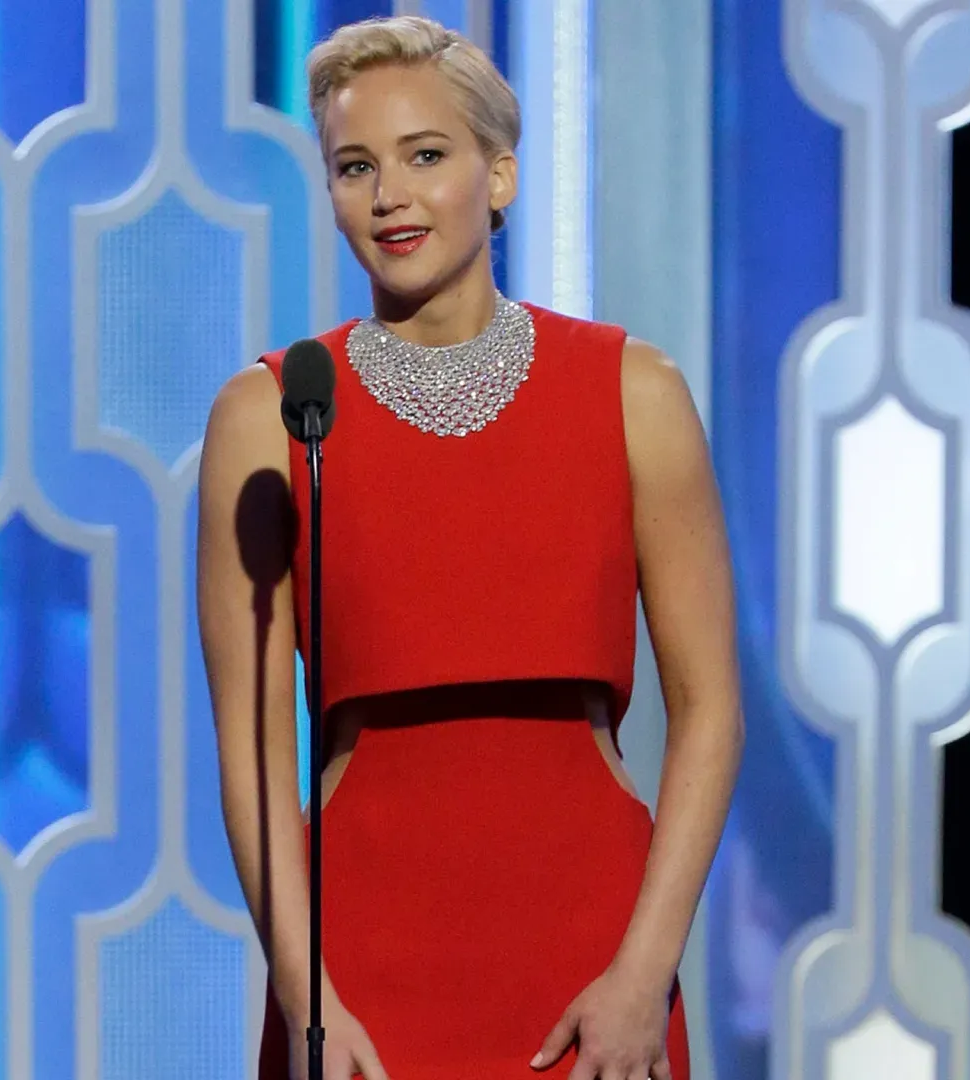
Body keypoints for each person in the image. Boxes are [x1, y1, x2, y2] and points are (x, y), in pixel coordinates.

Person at [197, 16, 742, 1080]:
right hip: (360, 973)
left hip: (590, 962)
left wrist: (646, 972)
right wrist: (308, 1001)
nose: (389, 194)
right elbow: (253, 752)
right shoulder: (272, 415)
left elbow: (712, 708)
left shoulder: (636, 394)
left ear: (499, 178)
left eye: (426, 156)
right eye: (356, 166)